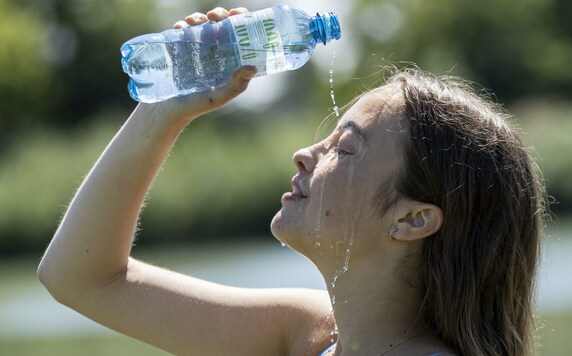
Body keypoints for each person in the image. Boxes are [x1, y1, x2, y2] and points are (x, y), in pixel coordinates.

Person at [38, 7, 546, 356]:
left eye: (345, 149)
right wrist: (160, 113)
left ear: (412, 219)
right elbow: (80, 277)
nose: (305, 154)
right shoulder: (307, 334)